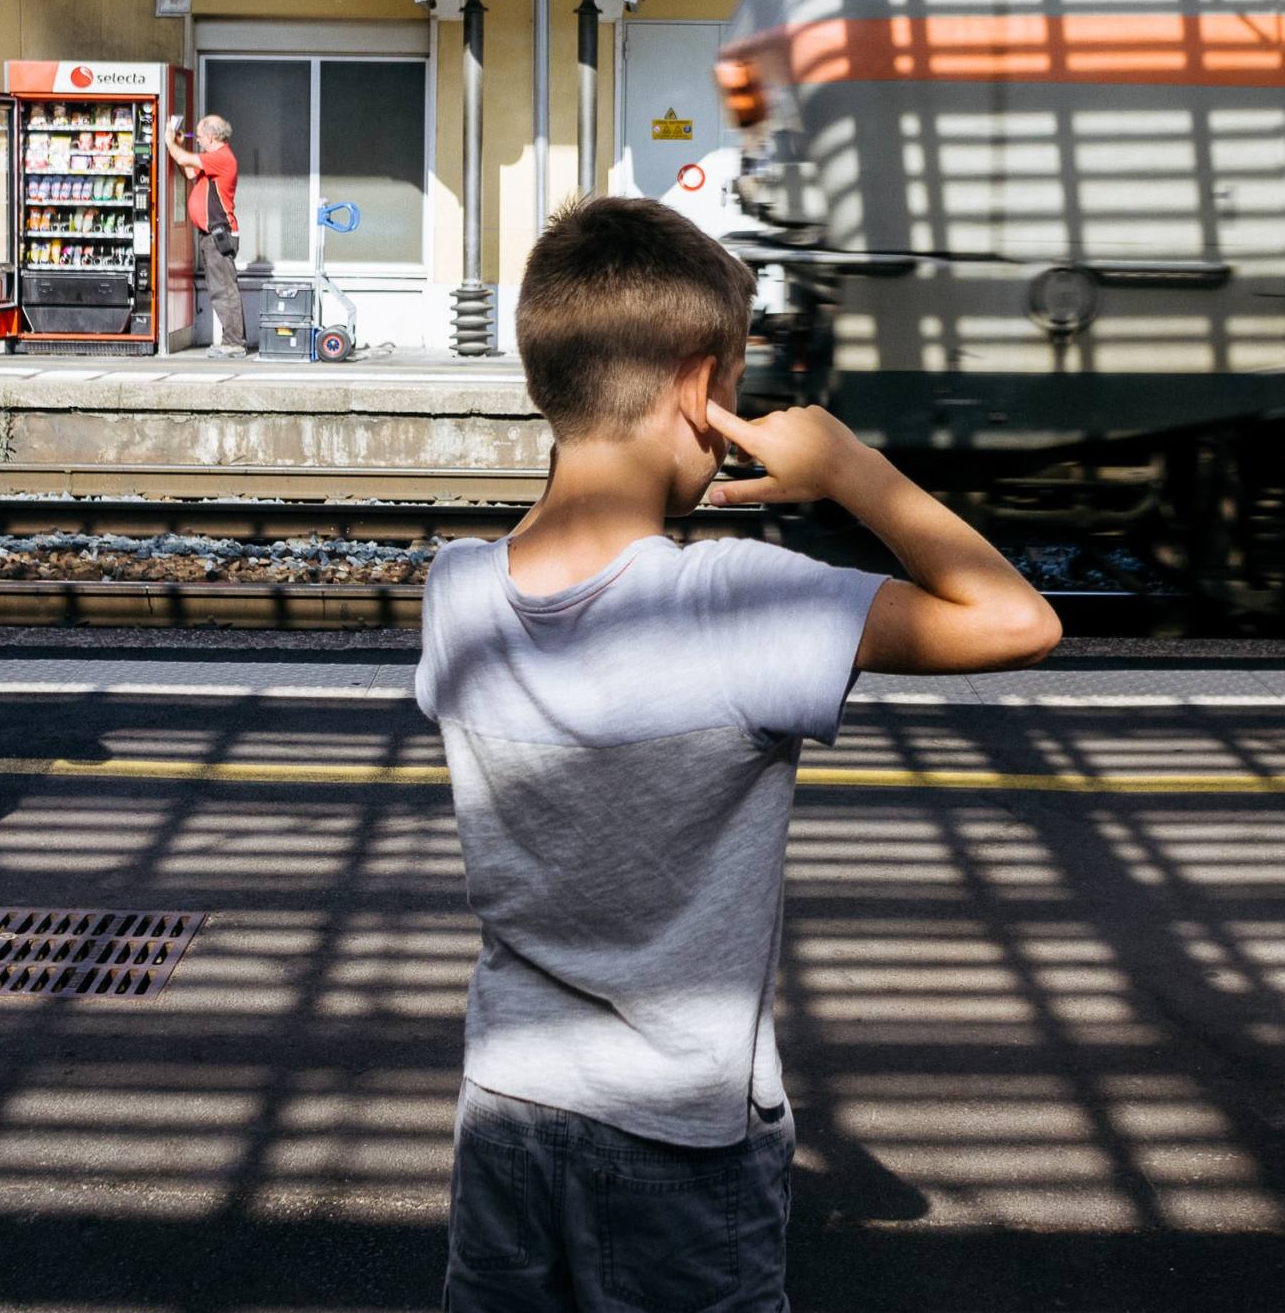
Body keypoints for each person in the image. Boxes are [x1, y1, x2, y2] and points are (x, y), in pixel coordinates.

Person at [414, 197, 1062, 1310]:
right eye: (735, 389)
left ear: (542, 381)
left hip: (508, 1108)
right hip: (682, 1132)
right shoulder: (734, 601)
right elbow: (1017, 619)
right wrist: (853, 471)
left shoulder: (456, 590)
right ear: (700, 387)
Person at [164, 112, 248, 358]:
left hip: (219, 234)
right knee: (219, 287)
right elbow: (190, 172)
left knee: (224, 289)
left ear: (212, 136)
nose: (197, 140)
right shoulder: (212, 159)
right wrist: (178, 146)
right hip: (211, 235)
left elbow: (183, 158)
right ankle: (232, 340)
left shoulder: (222, 158)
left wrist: (170, 141)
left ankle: (234, 343)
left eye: (199, 136)